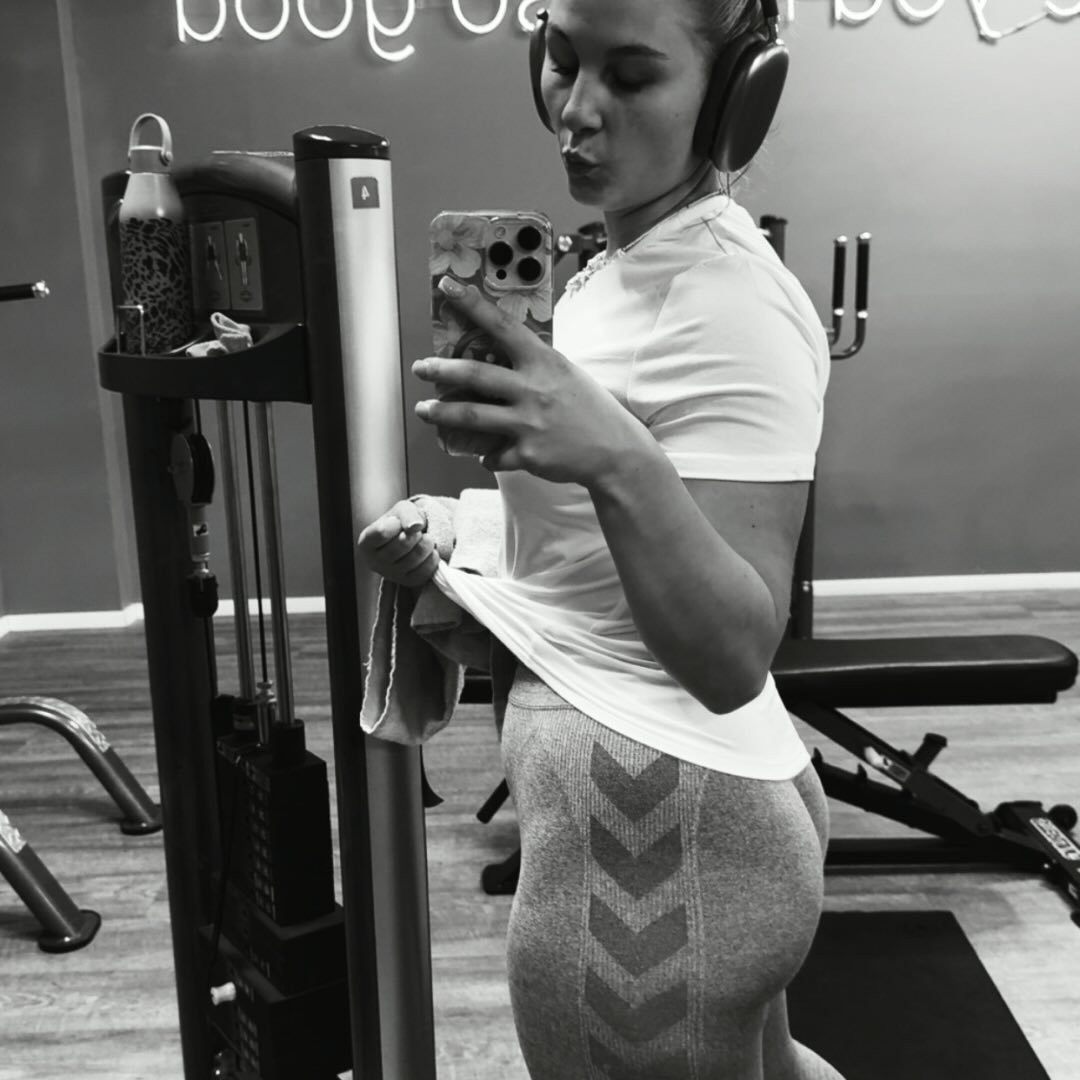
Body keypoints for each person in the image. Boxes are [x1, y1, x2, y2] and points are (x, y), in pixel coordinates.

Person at [358, 0, 845, 1076]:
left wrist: (613, 455)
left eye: (629, 76)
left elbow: (734, 649)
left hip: (656, 837)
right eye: (560, 60)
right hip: (667, 821)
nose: (574, 110)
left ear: (737, 97)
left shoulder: (725, 302)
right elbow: (602, 549)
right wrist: (463, 528)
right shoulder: (628, 265)